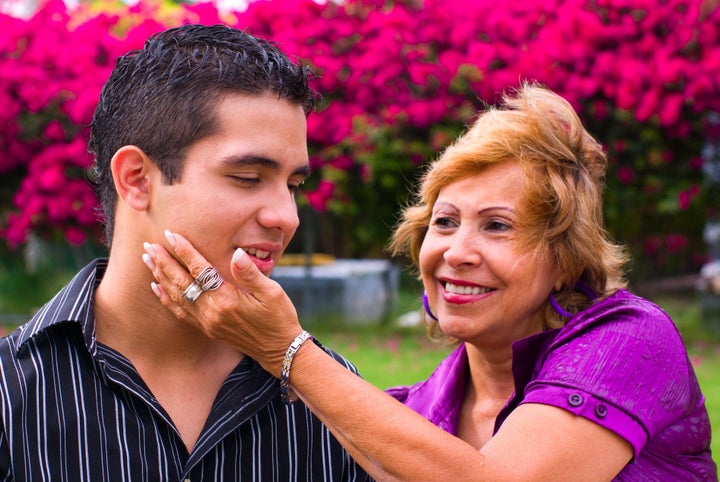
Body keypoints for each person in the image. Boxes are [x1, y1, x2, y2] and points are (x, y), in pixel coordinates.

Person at [144, 82, 717, 480]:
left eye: (497, 226)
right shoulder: (418, 412)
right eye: (443, 223)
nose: (455, 252)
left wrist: (285, 349)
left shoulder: (631, 341)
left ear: (566, 260)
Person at [0, 24, 370, 481]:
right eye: (248, 178)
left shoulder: (334, 396)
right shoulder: (10, 391)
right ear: (137, 179)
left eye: (293, 185)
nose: (286, 217)